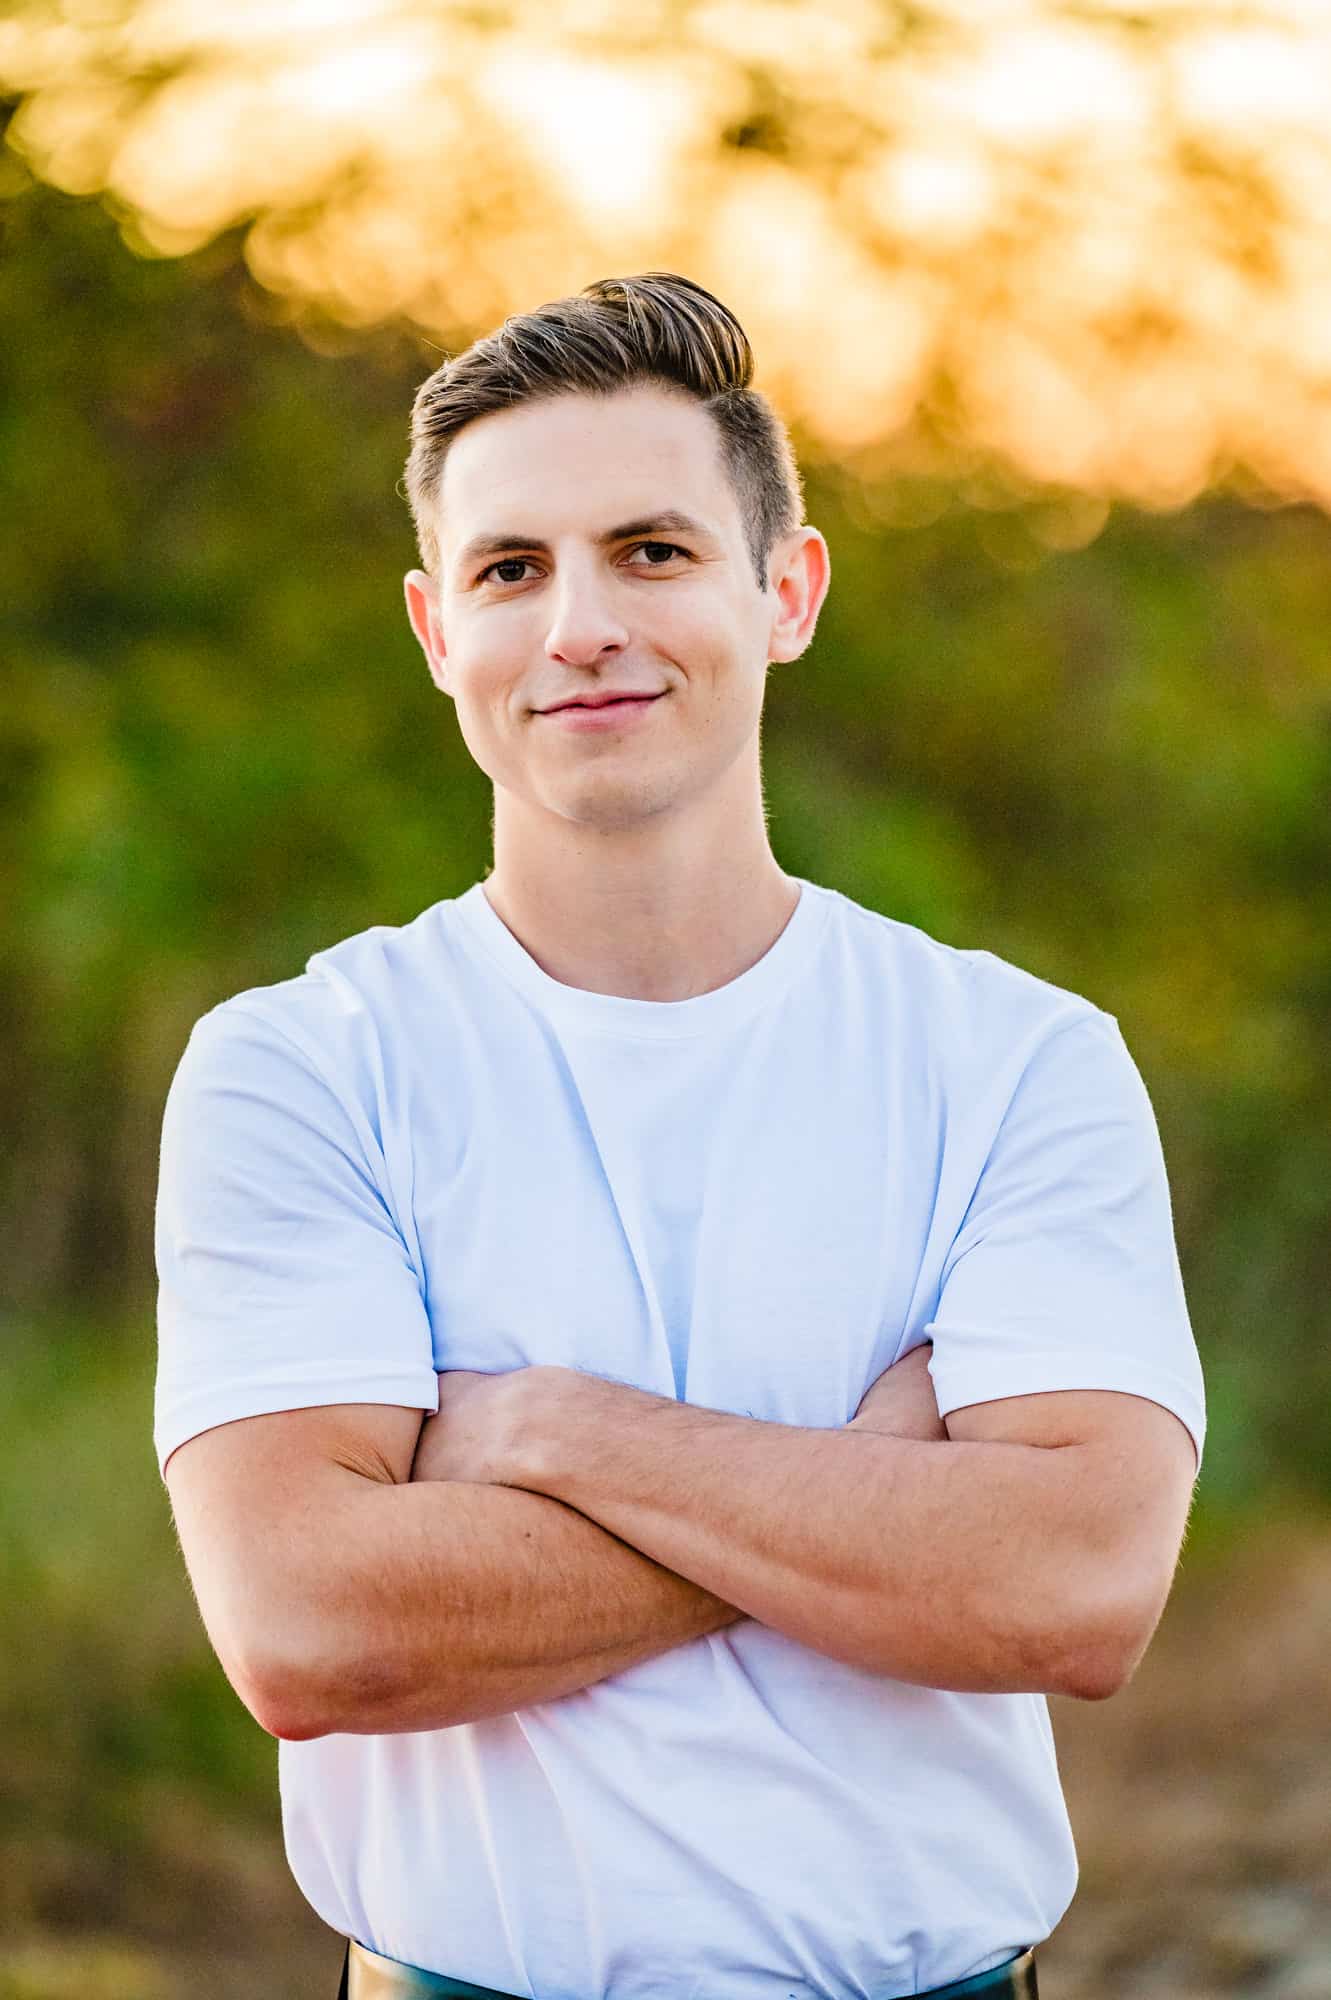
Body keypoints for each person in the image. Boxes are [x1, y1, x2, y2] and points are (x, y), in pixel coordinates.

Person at [153, 272, 1205, 2000]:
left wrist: (559, 1433)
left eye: (651, 549)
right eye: (512, 569)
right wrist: (873, 1494)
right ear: (437, 633)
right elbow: (312, 1626)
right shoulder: (301, 1069)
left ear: (784, 591)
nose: (580, 625)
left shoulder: (1018, 1060)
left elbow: (1079, 1590)